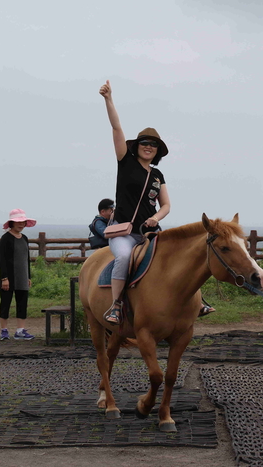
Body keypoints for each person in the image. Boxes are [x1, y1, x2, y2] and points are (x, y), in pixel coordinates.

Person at [99, 80, 171, 325]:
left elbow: (166, 206)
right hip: (125, 232)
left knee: (178, 258)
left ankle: (194, 302)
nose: (148, 147)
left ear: (157, 151)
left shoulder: (158, 175)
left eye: (153, 145)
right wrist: (109, 100)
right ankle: (116, 305)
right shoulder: (125, 162)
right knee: (123, 258)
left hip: (150, 232)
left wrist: (156, 218)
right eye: (144, 143)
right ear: (136, 146)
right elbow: (117, 129)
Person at [0, 208, 37, 341]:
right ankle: (4, 330)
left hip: (22, 276)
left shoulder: (25, 238)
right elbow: (2, 259)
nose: (21, 224)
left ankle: (20, 331)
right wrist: (4, 278)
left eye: (23, 222)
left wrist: (28, 276)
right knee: (5, 302)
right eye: (18, 222)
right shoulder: (5, 238)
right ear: (11, 223)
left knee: (22, 303)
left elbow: (26, 259)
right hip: (8, 277)